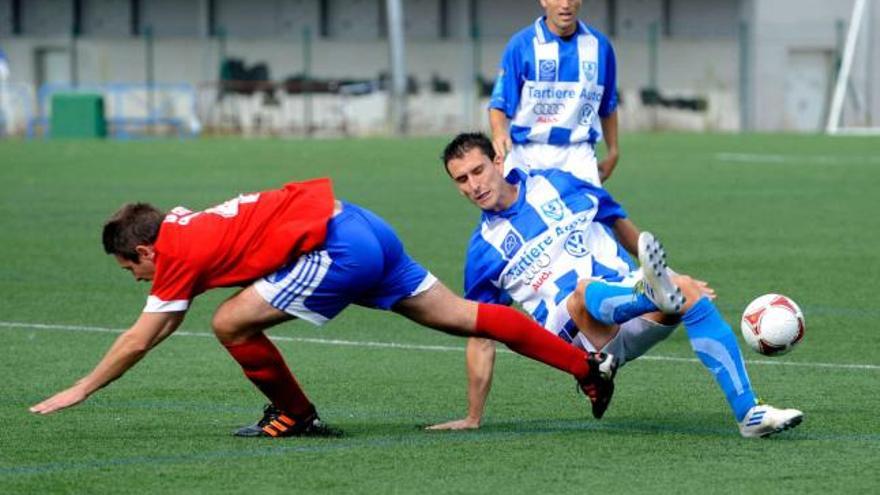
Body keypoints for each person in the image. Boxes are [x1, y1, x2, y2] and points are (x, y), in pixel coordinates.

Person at [29, 178, 620, 437]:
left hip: (336, 248)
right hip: (360, 222)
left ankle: (295, 416)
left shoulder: (175, 251)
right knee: (460, 315)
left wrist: (82, 387)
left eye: (132, 267)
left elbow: (141, 338)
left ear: (145, 249)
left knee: (229, 322)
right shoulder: (179, 220)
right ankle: (587, 368)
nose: (138, 278)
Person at [430, 133, 803, 438]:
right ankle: (650, 292)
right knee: (581, 291)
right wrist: (473, 415)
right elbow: (481, 335)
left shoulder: (556, 184)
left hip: (625, 302)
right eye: (461, 180)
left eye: (478, 170)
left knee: (686, 291)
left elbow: (617, 220)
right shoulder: (482, 252)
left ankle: (749, 414)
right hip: (585, 342)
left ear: (498, 160)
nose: (474, 185)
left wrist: (665, 273)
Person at [488, 0, 640, 251]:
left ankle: (646, 274)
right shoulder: (521, 45)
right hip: (529, 153)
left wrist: (613, 150)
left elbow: (608, 104)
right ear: (544, 1)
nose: (566, 4)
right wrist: (498, 133)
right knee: (526, 230)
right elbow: (499, 102)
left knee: (595, 226)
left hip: (578, 153)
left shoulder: (599, 46)